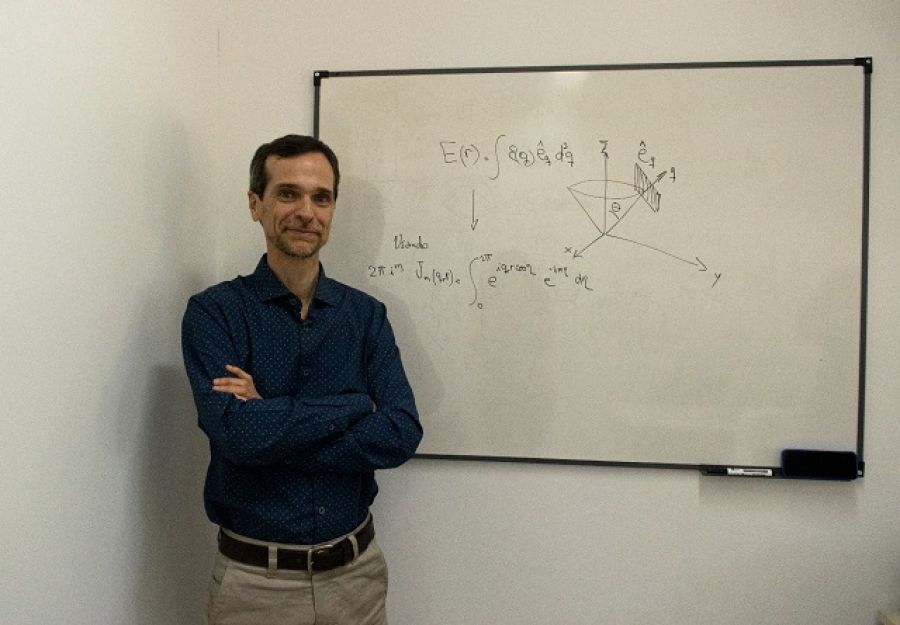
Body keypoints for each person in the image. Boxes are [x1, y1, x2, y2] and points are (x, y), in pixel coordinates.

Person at [181, 134, 422, 625]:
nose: (306, 212)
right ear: (256, 204)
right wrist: (355, 405)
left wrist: (269, 418)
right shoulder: (214, 314)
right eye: (288, 194)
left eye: (321, 197)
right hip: (256, 587)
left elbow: (401, 432)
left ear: (332, 209)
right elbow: (237, 436)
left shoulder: (366, 317)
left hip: (357, 578)